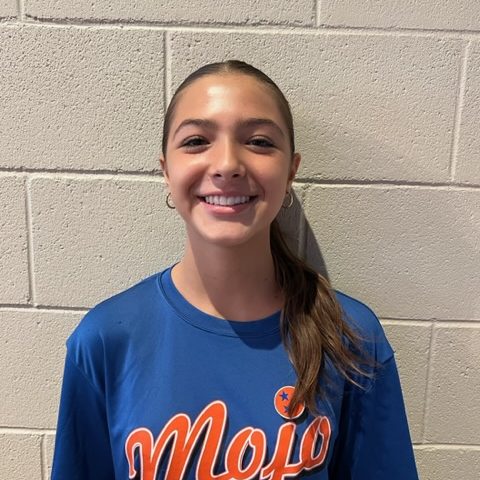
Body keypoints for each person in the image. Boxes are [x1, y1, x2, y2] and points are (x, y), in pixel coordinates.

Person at [51, 60, 419, 479]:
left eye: (259, 141)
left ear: (291, 170)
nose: (227, 163)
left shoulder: (351, 336)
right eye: (196, 141)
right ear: (166, 170)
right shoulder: (104, 341)